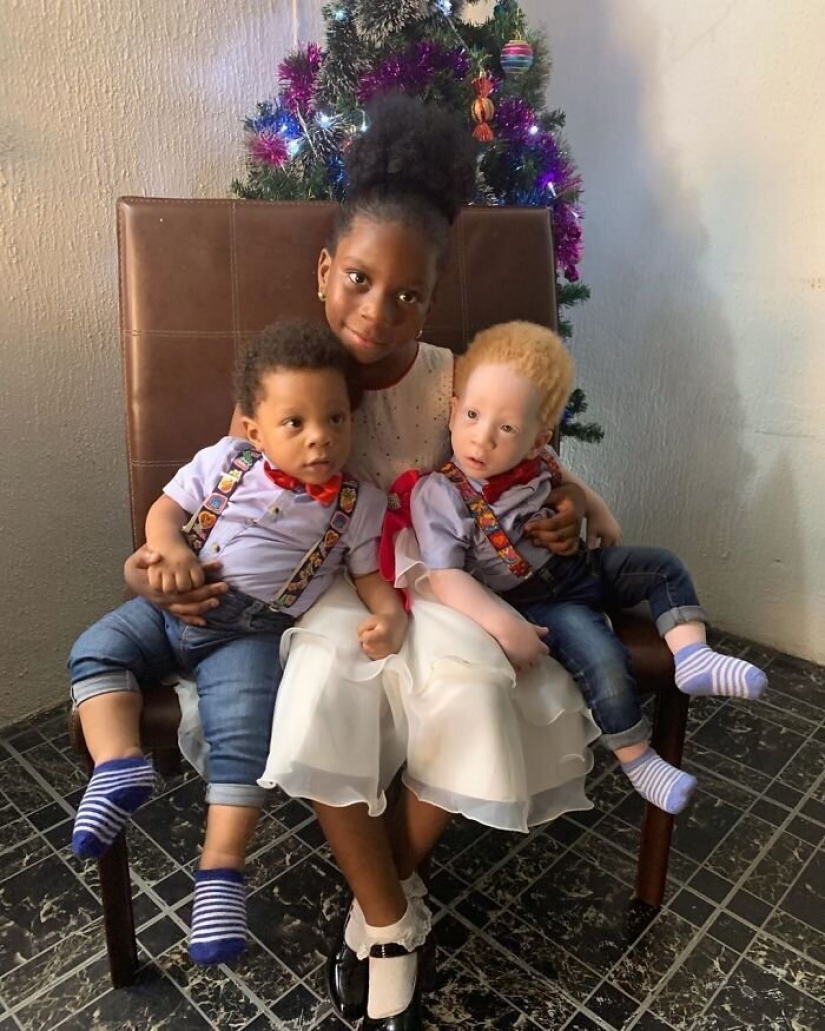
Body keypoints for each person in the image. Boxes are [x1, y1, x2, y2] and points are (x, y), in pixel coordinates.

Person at [123, 95, 601, 1030]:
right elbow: (222, 498)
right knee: (326, 686)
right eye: (357, 279)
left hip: (433, 581)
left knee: (476, 687)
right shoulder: (292, 378)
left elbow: (535, 463)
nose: (377, 311)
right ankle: (389, 919)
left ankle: (381, 891)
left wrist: (572, 509)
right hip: (322, 592)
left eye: (407, 295)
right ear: (323, 271)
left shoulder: (450, 377)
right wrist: (162, 563)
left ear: (432, 297)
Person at [68, 319, 406, 967]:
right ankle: (118, 763)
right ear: (254, 429)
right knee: (96, 649)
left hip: (247, 638)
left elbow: (368, 575)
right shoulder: (224, 460)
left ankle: (220, 872)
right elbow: (165, 510)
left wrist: (389, 616)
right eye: (295, 422)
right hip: (169, 608)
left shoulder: (358, 504)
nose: (320, 437)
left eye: (335, 419)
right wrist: (168, 548)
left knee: (244, 734)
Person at [408, 320, 769, 819]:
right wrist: (503, 625)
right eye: (471, 414)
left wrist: (597, 510)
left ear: (537, 438)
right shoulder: (440, 493)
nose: (482, 438)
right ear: (452, 412)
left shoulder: (537, 461)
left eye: (506, 428)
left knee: (663, 566)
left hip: (579, 567)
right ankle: (638, 759)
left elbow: (565, 476)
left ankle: (693, 657)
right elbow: (445, 576)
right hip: (538, 603)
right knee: (603, 658)